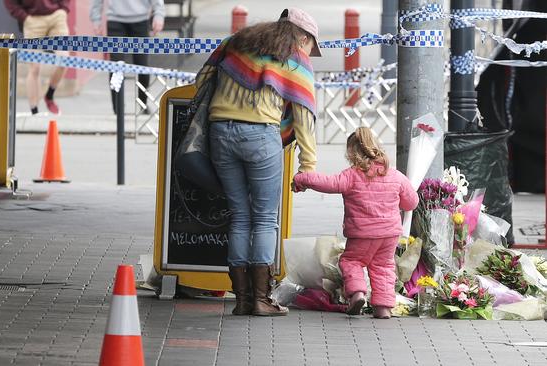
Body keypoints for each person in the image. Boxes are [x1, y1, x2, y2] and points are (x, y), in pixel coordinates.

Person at [195, 8, 321, 317]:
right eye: (310, 45)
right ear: (302, 37)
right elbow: (303, 113)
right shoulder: (293, 57)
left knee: (239, 215)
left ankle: (241, 299)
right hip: (260, 137)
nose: (308, 52)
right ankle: (262, 299)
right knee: (264, 219)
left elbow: (202, 80)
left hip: (220, 132)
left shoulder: (235, 43)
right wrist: (308, 164)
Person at [293, 127, 419, 319]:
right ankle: (383, 308)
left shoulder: (351, 175)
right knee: (383, 267)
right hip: (389, 234)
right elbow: (411, 202)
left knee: (351, 261)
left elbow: (327, 182)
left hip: (362, 235)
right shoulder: (395, 176)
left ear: (352, 153)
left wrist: (302, 179)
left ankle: (357, 293)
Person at [89, 0, 165, 114]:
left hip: (141, 20)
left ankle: (143, 104)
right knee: (115, 67)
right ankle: (117, 109)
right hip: (115, 20)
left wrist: (158, 14)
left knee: (143, 66)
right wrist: (96, 19)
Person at [4, 0, 70, 115]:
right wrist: (25, 18)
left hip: (56, 16)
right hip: (32, 20)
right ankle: (34, 112)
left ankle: (49, 96)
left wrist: (64, 9)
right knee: (34, 68)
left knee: (64, 60)